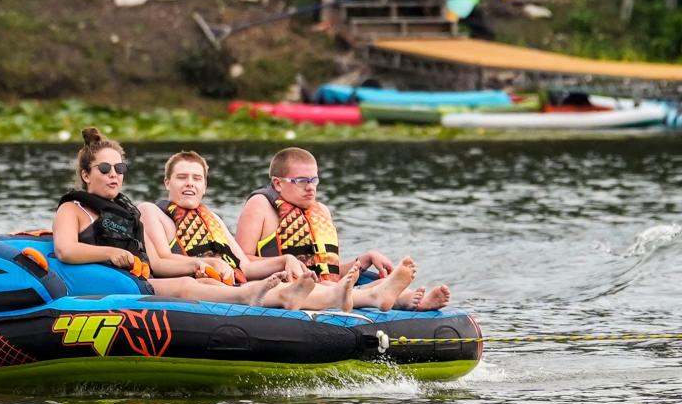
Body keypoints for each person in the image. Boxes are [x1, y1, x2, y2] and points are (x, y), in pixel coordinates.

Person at [138, 151, 416, 312]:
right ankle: (365, 296)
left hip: (233, 283)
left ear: (205, 186)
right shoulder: (153, 212)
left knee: (318, 283)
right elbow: (160, 261)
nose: (190, 184)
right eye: (182, 178)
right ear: (167, 182)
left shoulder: (213, 219)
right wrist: (203, 262)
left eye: (196, 178)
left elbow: (244, 265)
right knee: (303, 287)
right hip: (200, 284)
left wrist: (284, 262)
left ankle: (391, 295)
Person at [53, 127, 288, 308]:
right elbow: (66, 250)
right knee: (185, 285)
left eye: (119, 168)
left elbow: (155, 263)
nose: (114, 175)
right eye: (105, 169)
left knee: (201, 283)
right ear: (86, 174)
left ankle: (269, 295)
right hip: (103, 284)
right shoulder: (72, 209)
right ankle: (245, 295)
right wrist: (110, 252)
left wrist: (199, 263)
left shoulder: (128, 213)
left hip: (135, 281)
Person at [235, 147, 450, 311]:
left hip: (323, 288)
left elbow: (327, 271)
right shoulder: (260, 206)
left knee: (365, 283)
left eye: (314, 180)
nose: (310, 187)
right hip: (281, 288)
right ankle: (392, 298)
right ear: (278, 183)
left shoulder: (321, 211)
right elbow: (241, 265)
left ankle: (407, 299)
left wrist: (362, 261)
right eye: (301, 181)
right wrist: (284, 261)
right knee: (336, 291)